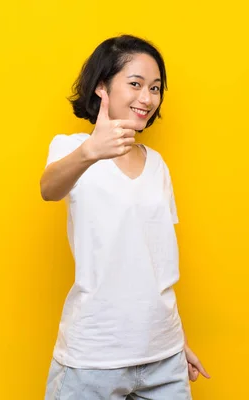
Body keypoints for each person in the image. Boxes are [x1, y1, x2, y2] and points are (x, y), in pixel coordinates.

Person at [41, 34, 209, 399]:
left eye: (155, 88)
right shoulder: (72, 149)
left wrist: (176, 342)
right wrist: (91, 151)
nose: (147, 98)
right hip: (94, 357)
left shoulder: (158, 165)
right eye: (135, 84)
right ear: (102, 87)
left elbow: (155, 262)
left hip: (163, 357)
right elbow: (48, 189)